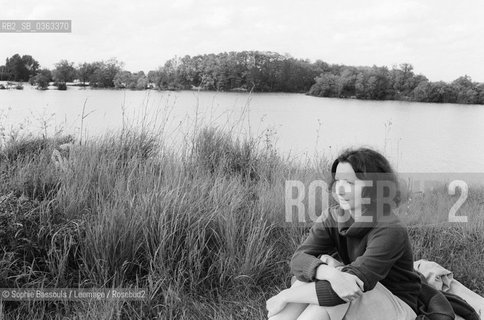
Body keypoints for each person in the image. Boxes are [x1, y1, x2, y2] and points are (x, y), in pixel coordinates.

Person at [266, 147, 422, 320]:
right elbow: (298, 260)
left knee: (331, 298)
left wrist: (285, 296)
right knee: (321, 279)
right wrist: (328, 272)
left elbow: (350, 287)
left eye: (350, 182)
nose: (339, 190)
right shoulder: (332, 217)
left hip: (396, 304)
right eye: (338, 180)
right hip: (352, 288)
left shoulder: (390, 229)